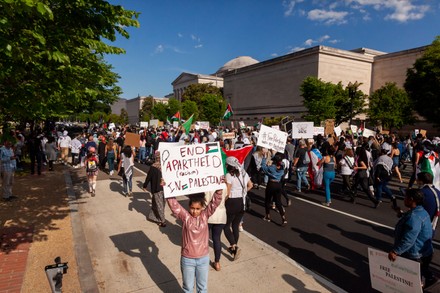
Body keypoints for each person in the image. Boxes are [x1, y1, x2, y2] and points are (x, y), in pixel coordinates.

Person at [167, 191, 223, 293]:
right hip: (187, 259)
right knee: (187, 288)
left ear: (202, 208)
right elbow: (174, 206)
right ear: (189, 206)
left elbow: (214, 203)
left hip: (203, 259)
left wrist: (219, 191)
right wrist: (167, 188)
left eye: (198, 209)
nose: (194, 211)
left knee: (202, 288)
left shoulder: (205, 216)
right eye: (192, 208)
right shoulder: (185, 217)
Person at [388, 188, 434, 288]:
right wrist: (401, 213)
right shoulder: (421, 211)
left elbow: (409, 239)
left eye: (405, 197)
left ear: (411, 199)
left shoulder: (414, 216)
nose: (404, 199)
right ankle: (430, 279)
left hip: (415, 254)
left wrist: (396, 251)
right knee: (422, 270)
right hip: (425, 251)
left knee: (412, 281)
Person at [223, 156, 253, 260]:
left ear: (229, 165)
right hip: (242, 201)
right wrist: (243, 193)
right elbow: (250, 185)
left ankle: (234, 246)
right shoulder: (244, 172)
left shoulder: (229, 175)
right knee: (235, 225)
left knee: (226, 226)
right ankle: (234, 247)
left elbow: (227, 192)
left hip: (232, 202)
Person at [261, 152, 287, 226]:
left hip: (271, 184)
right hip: (278, 184)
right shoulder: (282, 167)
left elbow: (263, 167)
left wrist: (264, 158)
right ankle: (283, 217)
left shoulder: (272, 167)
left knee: (267, 200)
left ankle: (267, 216)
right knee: (278, 202)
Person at [143, 151, 166, 227]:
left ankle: (162, 221)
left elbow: (148, 177)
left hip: (157, 188)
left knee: (159, 205)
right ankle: (155, 217)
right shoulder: (165, 166)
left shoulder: (153, 167)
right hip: (165, 189)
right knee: (158, 203)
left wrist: (145, 185)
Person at [205, 189, 227, 271]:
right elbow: (226, 196)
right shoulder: (223, 185)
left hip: (209, 215)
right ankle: (217, 262)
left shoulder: (208, 184)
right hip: (221, 215)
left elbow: (205, 200)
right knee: (217, 239)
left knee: (204, 239)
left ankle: (203, 259)